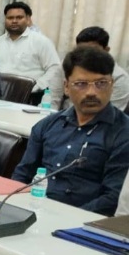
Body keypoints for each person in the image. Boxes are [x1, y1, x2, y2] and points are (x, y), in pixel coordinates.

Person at [11, 46, 129, 216]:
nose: (91, 92)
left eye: (101, 83)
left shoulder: (123, 133)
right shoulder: (47, 125)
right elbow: (22, 175)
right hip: (32, 212)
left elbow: (112, 198)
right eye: (81, 84)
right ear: (66, 87)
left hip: (83, 221)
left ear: (112, 85)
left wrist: (65, 219)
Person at [0, 1, 62, 106]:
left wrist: (37, 86)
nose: (14, 21)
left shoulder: (41, 41)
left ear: (28, 19)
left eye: (19, 17)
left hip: (30, 97)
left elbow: (54, 68)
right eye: (10, 18)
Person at [67, 27, 129, 111]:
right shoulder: (69, 66)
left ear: (106, 50)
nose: (86, 55)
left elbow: (110, 113)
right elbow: (53, 98)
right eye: (81, 50)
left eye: (92, 51)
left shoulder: (120, 78)